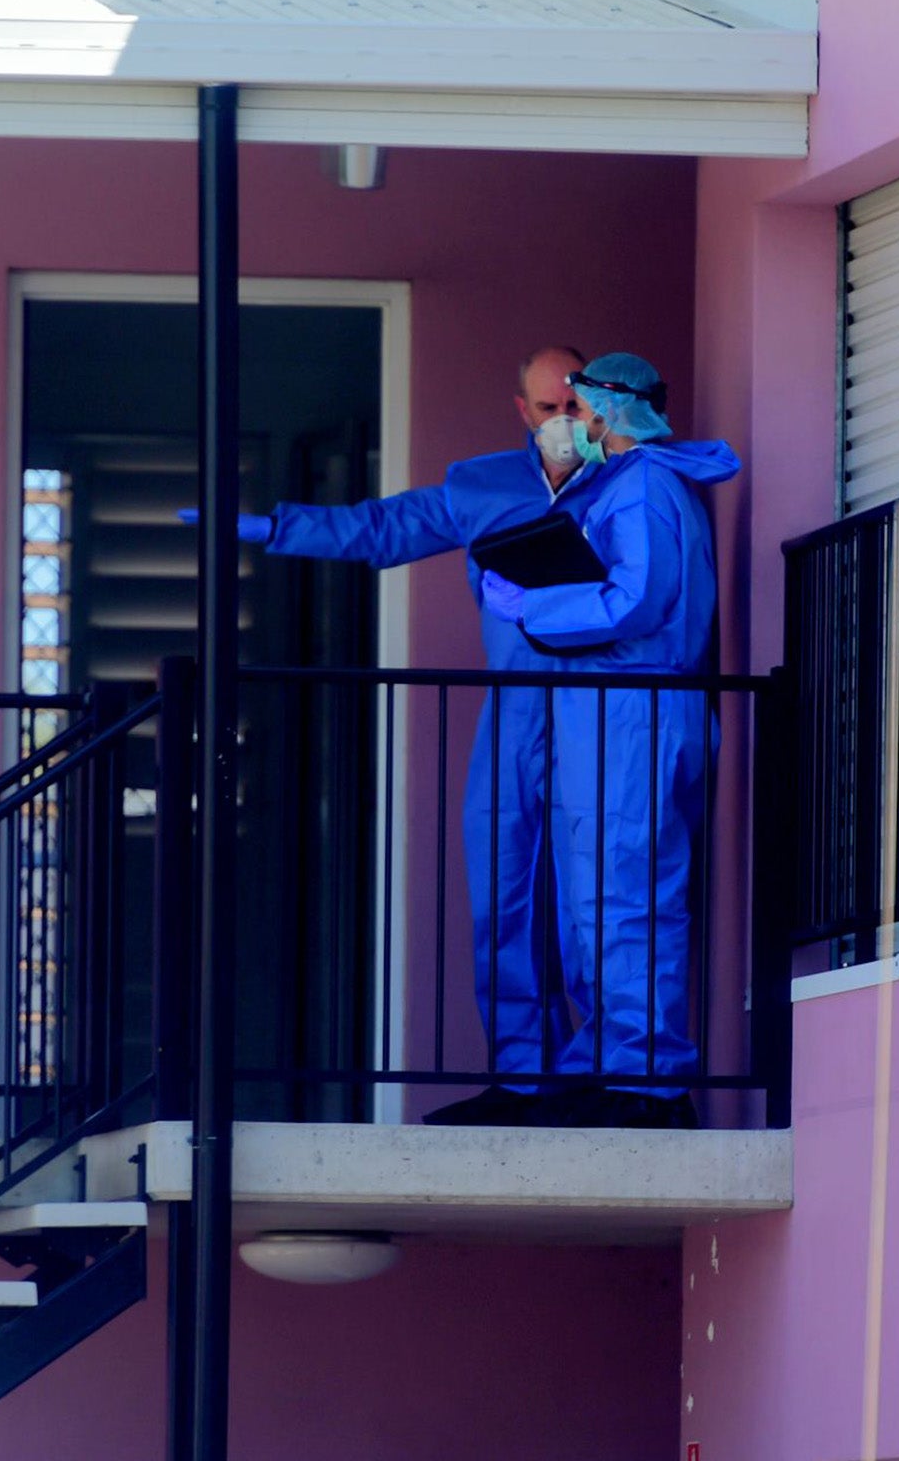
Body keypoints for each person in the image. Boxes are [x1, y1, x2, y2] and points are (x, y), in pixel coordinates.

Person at [184, 347, 599, 1124]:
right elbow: (381, 529)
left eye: (576, 406)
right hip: (513, 714)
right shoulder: (484, 484)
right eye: (550, 409)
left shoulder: (627, 476)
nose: (566, 422)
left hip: (604, 712)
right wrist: (271, 526)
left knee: (594, 900)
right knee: (506, 892)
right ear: (523, 413)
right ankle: (524, 1079)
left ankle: (600, 1075)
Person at [477, 353, 739, 1129]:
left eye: (584, 411)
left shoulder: (649, 485)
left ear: (614, 412)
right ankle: (609, 1066)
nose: (575, 425)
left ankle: (649, 1081)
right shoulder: (623, 486)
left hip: (637, 711)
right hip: (609, 711)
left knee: (627, 895)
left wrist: (534, 607)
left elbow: (635, 601)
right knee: (593, 901)